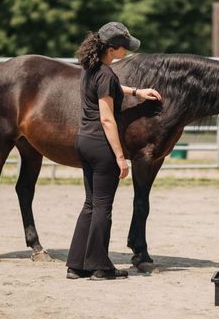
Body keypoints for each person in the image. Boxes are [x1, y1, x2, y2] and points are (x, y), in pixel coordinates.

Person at [66, 22, 161, 280]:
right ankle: (100, 266)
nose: (127, 52)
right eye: (124, 47)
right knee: (102, 207)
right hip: (101, 145)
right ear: (113, 49)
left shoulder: (90, 68)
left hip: (83, 140)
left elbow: (111, 90)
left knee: (90, 204)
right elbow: (107, 119)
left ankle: (75, 265)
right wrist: (120, 157)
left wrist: (137, 92)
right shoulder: (107, 74)